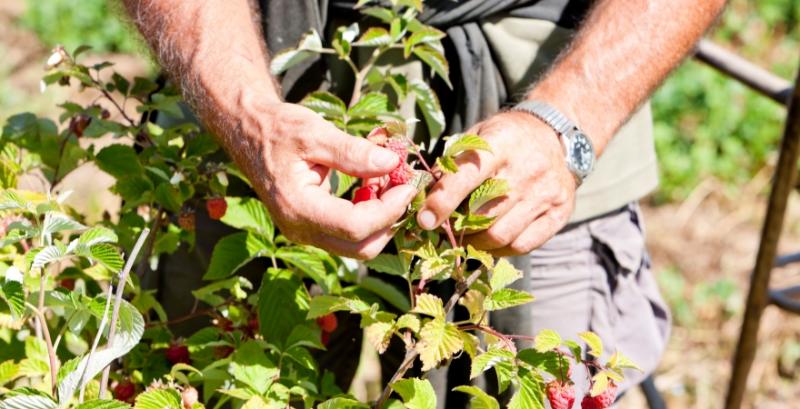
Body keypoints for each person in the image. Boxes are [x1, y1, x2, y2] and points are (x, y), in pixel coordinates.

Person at [122, 0, 727, 406]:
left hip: (539, 86)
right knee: (218, 379)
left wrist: (568, 121)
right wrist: (247, 117)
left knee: (545, 385)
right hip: (249, 63)